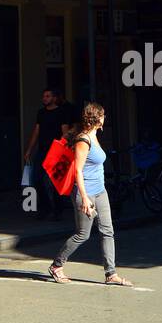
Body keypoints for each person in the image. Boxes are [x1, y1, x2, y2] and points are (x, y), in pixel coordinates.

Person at [49, 101, 132, 286]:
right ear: (97, 118)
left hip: (100, 191)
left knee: (107, 231)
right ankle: (56, 266)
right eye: (102, 115)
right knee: (82, 234)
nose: (105, 117)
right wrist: (85, 198)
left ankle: (111, 274)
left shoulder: (94, 136)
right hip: (84, 193)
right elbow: (78, 171)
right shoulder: (83, 140)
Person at [24, 88, 75, 220]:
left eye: (47, 96)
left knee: (55, 181)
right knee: (37, 179)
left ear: (54, 98)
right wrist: (29, 150)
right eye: (44, 96)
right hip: (42, 150)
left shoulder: (61, 112)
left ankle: (58, 210)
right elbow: (36, 132)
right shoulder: (41, 113)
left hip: (56, 151)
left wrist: (65, 149)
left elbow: (65, 132)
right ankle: (45, 208)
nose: (44, 98)